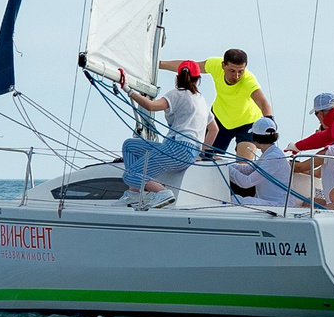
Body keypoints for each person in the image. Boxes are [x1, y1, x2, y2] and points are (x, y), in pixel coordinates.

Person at [116, 63, 209, 208]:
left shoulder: (177, 94)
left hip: (177, 148)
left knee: (129, 175)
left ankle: (163, 193)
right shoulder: (201, 100)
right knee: (130, 145)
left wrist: (128, 90)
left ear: (177, 78)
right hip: (188, 152)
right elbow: (214, 128)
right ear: (198, 79)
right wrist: (202, 154)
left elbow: (151, 106)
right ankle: (133, 194)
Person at [161, 48, 273, 156]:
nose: (236, 76)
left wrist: (269, 125)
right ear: (223, 65)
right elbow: (188, 67)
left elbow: (263, 102)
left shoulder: (248, 80)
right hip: (221, 119)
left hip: (247, 123)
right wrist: (159, 64)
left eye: (241, 71)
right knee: (202, 156)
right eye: (232, 71)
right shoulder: (215, 65)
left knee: (244, 164)